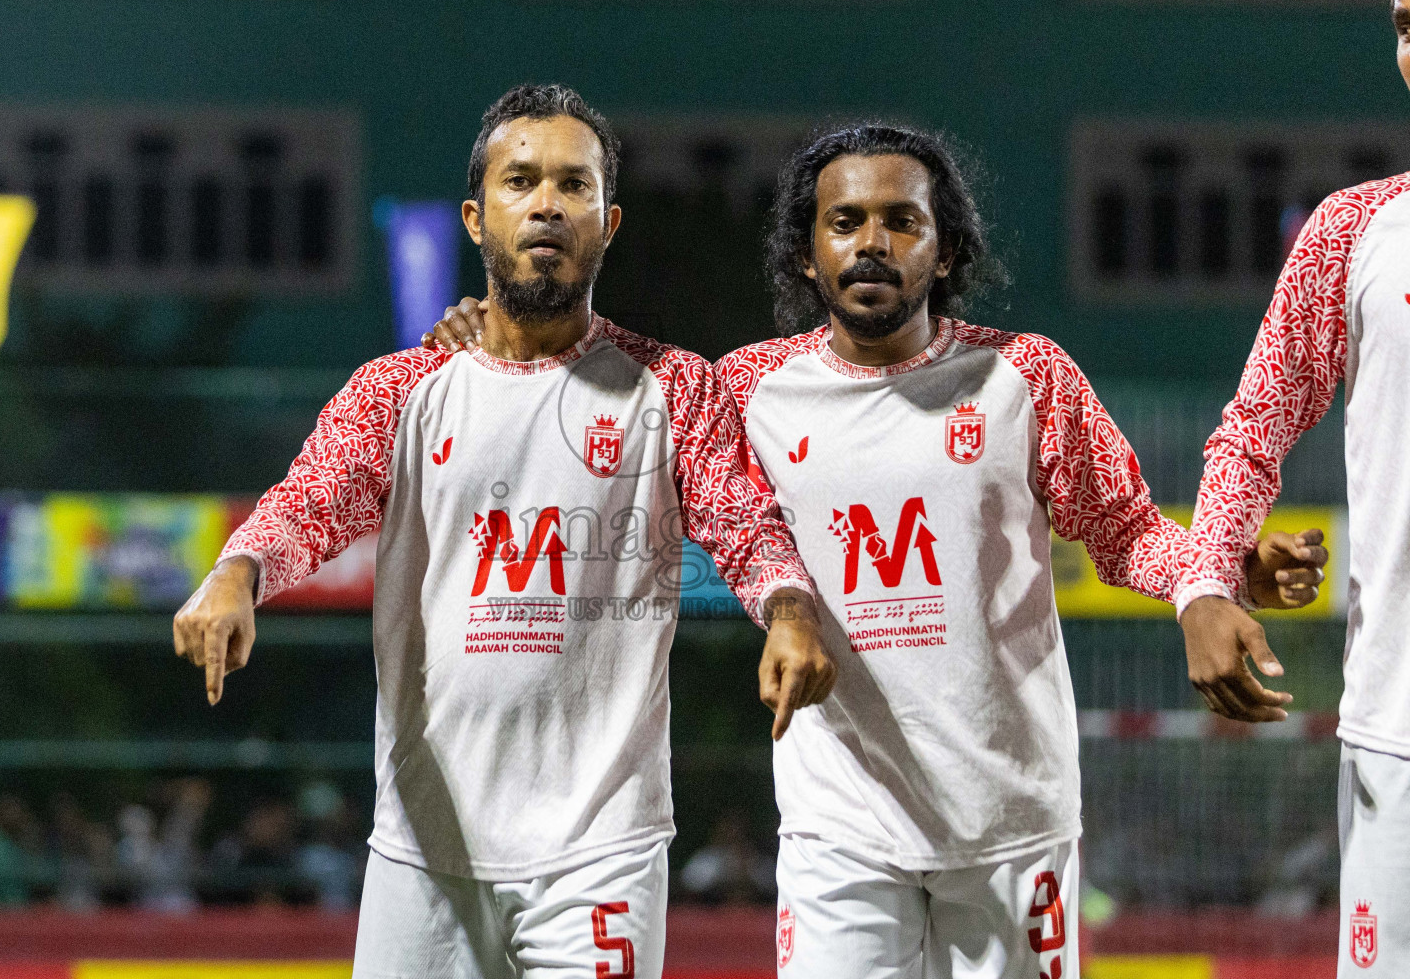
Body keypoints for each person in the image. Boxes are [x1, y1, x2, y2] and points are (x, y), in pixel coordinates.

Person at [428, 122, 1326, 979]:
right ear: (807, 248)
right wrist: (492, 334)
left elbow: (1123, 530)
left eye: (904, 221)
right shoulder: (746, 390)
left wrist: (1214, 576)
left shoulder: (1027, 377)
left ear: (946, 246)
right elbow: (596, 421)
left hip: (1011, 820)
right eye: (845, 221)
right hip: (839, 830)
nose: (873, 244)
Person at [174, 83, 831, 979]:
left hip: (601, 846)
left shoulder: (673, 389)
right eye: (522, 181)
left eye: (575, 184)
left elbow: (746, 522)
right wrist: (239, 571)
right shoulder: (398, 391)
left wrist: (789, 609)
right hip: (424, 849)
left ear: (610, 221)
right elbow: (310, 499)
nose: (549, 203)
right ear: (478, 219)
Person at [1175, 0, 1410, 971]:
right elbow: (1251, 430)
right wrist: (1207, 578)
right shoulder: (1353, 234)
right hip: (1399, 737)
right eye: (1407, 21)